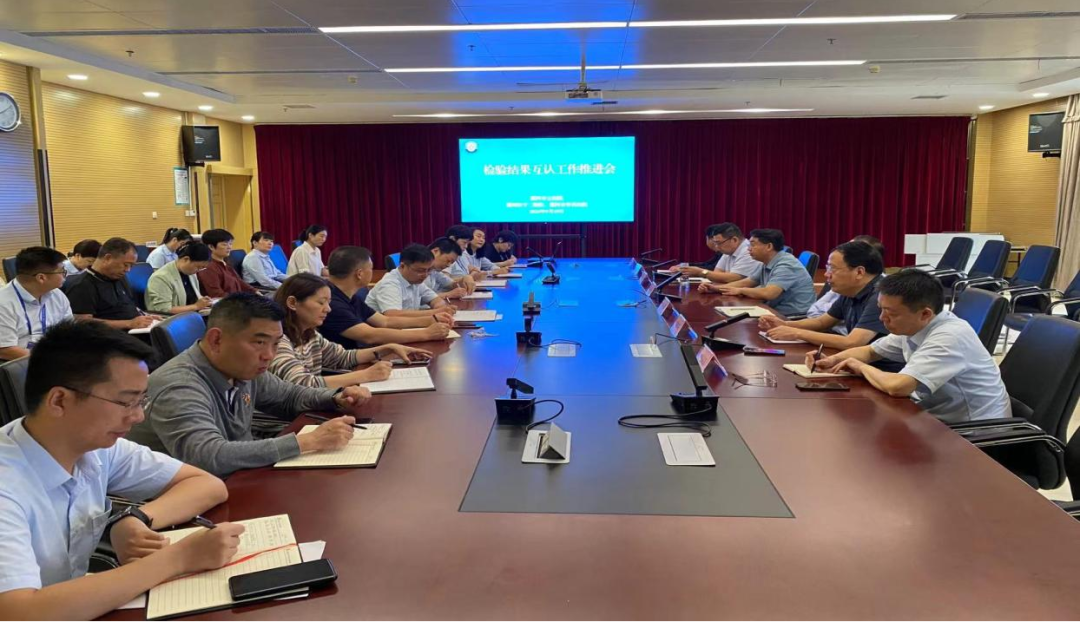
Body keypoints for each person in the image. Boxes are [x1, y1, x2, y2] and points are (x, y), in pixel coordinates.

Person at [0, 320, 240, 620]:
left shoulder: (94, 446)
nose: (138, 417)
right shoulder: (8, 484)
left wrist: (135, 518)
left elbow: (207, 485)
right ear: (59, 400)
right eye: (126, 402)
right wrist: (177, 559)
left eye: (141, 401)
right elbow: (17, 612)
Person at [126, 293, 370, 477]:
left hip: (240, 476)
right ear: (216, 339)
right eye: (259, 343)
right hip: (189, 499)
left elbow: (287, 396)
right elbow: (207, 457)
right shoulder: (178, 385)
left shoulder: (241, 367)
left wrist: (335, 397)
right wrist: (307, 442)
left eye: (276, 344)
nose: (269, 355)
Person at [809, 269, 1012, 423]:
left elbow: (898, 387)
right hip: (937, 418)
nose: (882, 318)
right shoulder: (914, 325)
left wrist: (860, 367)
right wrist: (833, 360)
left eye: (891, 313)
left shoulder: (949, 336)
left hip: (976, 432)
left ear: (924, 313)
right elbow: (871, 351)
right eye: (881, 309)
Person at [270, 274, 432, 388]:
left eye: (328, 302)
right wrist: (366, 375)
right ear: (292, 303)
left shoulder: (310, 334)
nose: (328, 309)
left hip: (309, 406)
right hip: (286, 422)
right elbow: (302, 384)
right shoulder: (276, 340)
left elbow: (343, 357)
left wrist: (388, 348)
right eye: (321, 302)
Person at [759, 240, 892, 352]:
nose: (826, 274)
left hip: (880, 368)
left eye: (832, 269)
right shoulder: (851, 290)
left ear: (859, 272)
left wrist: (797, 333)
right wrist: (785, 324)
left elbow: (852, 342)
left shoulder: (881, 296)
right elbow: (821, 322)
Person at [319, 245, 453, 348]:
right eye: (371, 268)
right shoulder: (331, 302)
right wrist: (426, 334)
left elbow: (385, 321)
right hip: (346, 365)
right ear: (360, 274)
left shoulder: (349, 296)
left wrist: (431, 319)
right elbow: (369, 335)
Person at [702, 229, 816, 317]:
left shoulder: (786, 265)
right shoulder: (766, 261)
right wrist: (716, 289)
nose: (748, 249)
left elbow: (769, 293)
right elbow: (748, 282)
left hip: (791, 316)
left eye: (753, 245)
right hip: (773, 309)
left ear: (769, 246)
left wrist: (740, 290)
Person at [64, 237, 159, 331]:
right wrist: (129, 323)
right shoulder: (82, 285)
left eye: (131, 266)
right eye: (125, 265)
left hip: (135, 330)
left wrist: (146, 317)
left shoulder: (120, 278)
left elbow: (128, 306)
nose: (128, 270)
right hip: (109, 335)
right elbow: (82, 322)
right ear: (107, 258)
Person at [0, 247, 72, 361]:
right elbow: (5, 350)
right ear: (41, 278)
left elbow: (69, 330)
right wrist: (49, 360)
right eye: (62, 271)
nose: (65, 275)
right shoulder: (3, 303)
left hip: (53, 356)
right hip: (18, 362)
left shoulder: (57, 295)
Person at [365, 244, 458, 317]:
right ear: (402, 266)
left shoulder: (416, 281)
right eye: (420, 270)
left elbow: (436, 299)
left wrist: (440, 308)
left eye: (429, 270)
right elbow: (393, 315)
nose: (425, 275)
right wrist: (435, 312)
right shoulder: (389, 283)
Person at [146, 241, 213, 315]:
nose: (199, 270)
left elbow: (192, 298)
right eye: (198, 267)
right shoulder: (160, 278)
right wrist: (196, 306)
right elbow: (164, 309)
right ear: (186, 259)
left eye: (202, 268)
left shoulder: (189, 272)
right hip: (170, 319)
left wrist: (203, 301)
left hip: (190, 315)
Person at [679, 223, 761, 283]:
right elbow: (717, 274)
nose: (717, 247)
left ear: (734, 240)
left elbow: (732, 278)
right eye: (715, 243)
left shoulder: (748, 251)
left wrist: (701, 272)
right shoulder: (728, 251)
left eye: (718, 243)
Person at [196, 229, 256, 298]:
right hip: (226, 302)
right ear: (211, 247)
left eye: (230, 244)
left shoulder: (225, 262)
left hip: (236, 299)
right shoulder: (208, 267)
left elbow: (239, 281)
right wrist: (240, 300)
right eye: (224, 244)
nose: (229, 247)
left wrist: (255, 291)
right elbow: (217, 294)